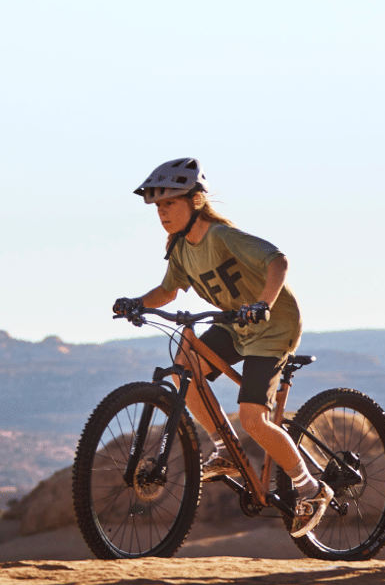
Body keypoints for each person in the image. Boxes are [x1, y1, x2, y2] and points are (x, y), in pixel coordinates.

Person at [113, 157, 333, 537]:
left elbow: (277, 261)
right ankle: (226, 450)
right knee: (185, 366)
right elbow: (167, 290)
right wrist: (137, 302)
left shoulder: (221, 236)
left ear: (195, 201)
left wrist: (263, 303)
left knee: (252, 418)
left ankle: (311, 487)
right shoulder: (181, 249)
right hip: (235, 323)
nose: (163, 212)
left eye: (170, 203)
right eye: (159, 206)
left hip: (272, 325)